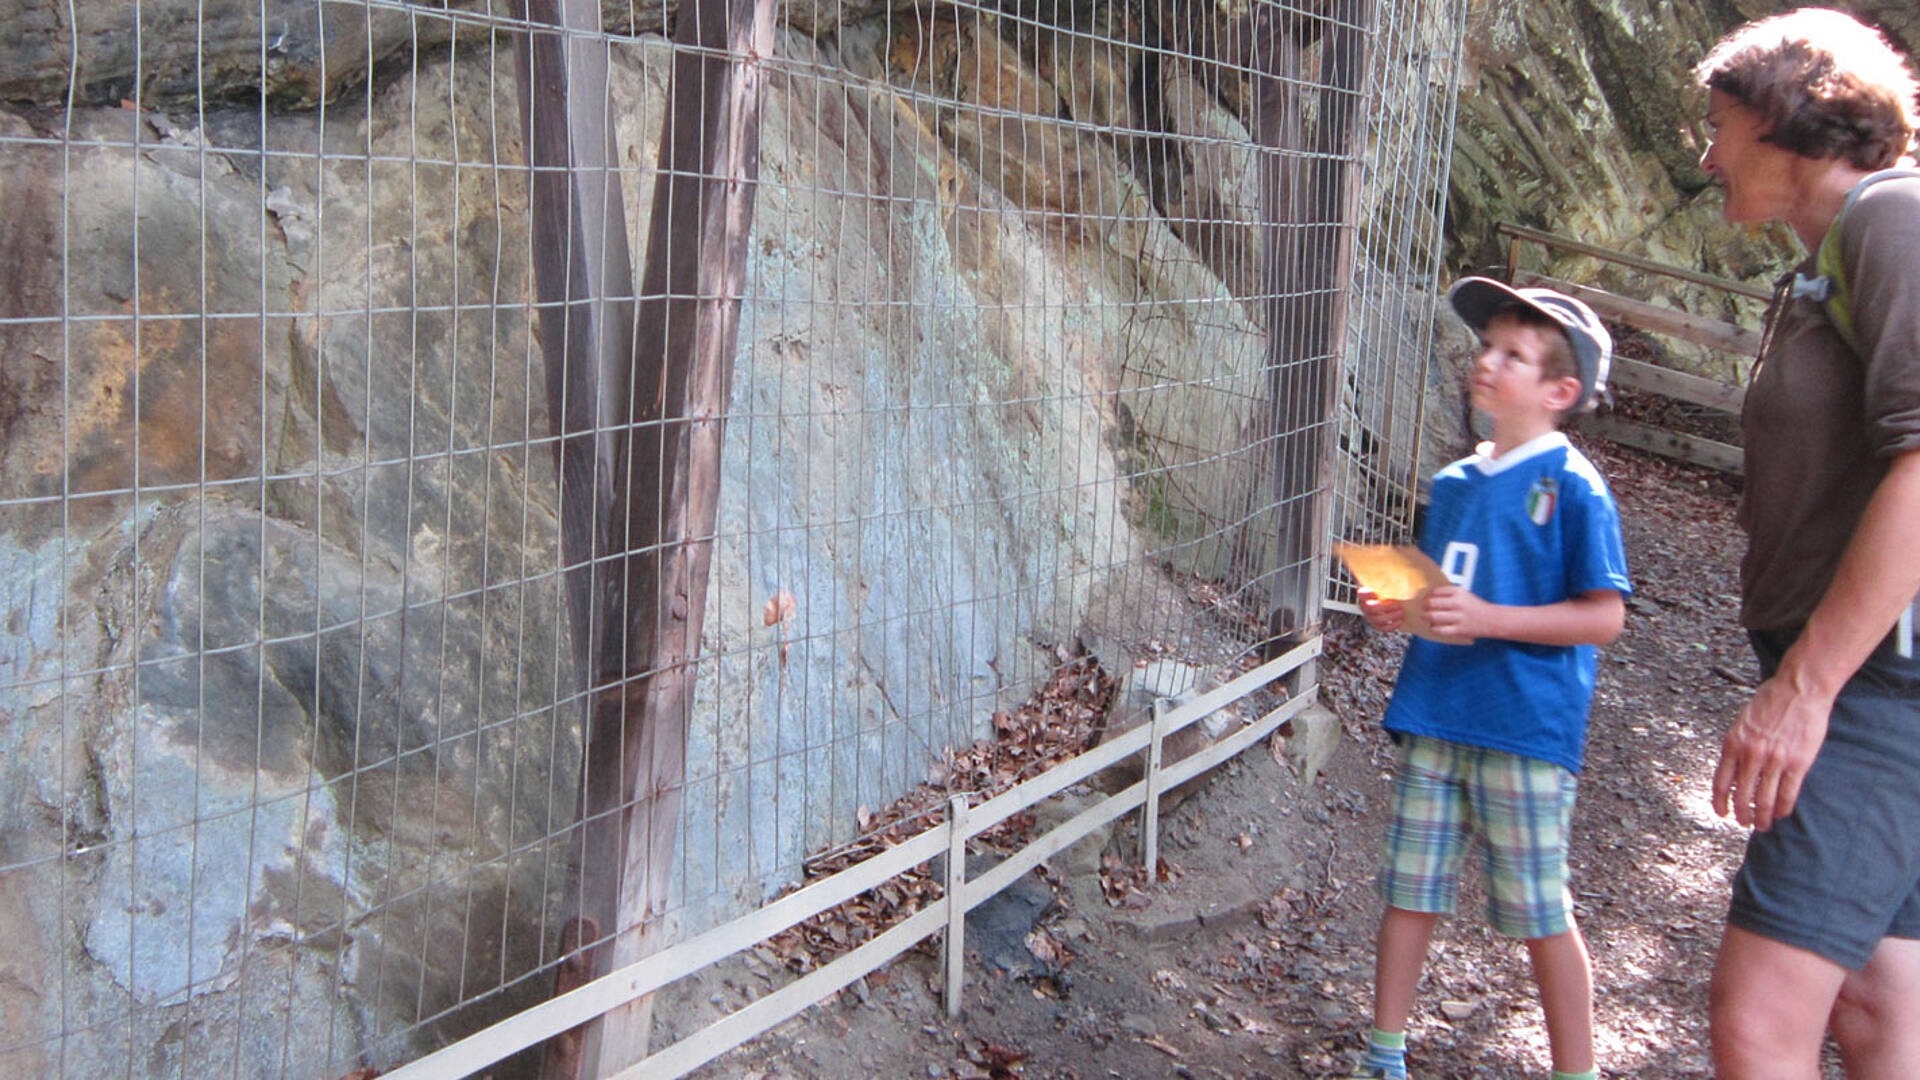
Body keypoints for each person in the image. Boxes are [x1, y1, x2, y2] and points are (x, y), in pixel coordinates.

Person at [1692, 9, 1920, 1077]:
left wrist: (1808, 687)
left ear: (1787, 121)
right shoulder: (1828, 263)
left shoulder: (1892, 220)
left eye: (1720, 125)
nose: (1706, 154)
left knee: (1759, 1023)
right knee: (1877, 1011)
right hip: (1874, 684)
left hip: (1880, 687)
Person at [1346, 278, 1631, 1080]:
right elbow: (1441, 590)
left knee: (1541, 909)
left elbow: (1604, 617)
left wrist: (1492, 621)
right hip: (1435, 713)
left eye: (1513, 355)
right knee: (1410, 890)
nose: (1487, 362)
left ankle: (1576, 1070)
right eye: (1487, 347)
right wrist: (1393, 605)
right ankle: (1384, 1054)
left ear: (1559, 391)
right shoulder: (1453, 483)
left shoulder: (1574, 486)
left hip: (1524, 730)